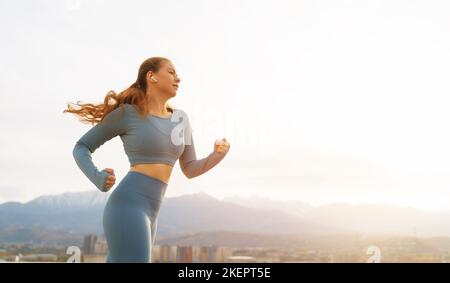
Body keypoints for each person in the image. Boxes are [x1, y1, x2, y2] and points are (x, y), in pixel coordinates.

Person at [63, 57, 230, 262]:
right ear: (151, 76)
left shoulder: (181, 119)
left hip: (152, 211)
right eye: (171, 72)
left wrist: (217, 155)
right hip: (127, 206)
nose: (178, 78)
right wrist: (97, 177)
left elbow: (189, 168)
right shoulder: (128, 114)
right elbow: (81, 147)